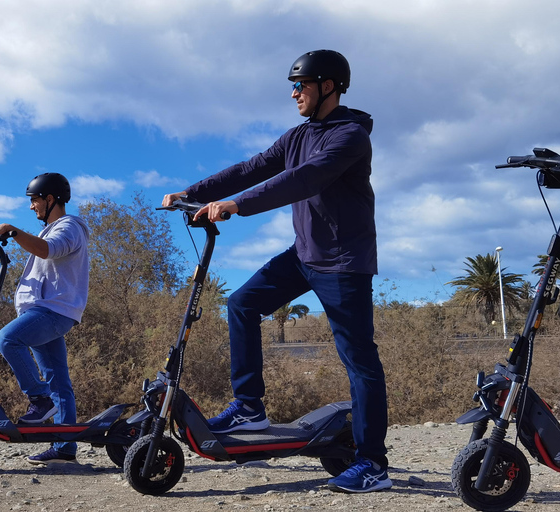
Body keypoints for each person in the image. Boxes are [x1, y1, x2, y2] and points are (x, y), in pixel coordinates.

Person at [162, 50, 391, 493]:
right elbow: (253, 168)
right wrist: (193, 192)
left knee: (360, 362)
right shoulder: (297, 135)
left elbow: (304, 180)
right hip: (304, 254)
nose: (294, 93)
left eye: (300, 85)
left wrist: (237, 205)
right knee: (242, 304)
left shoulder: (350, 137)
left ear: (328, 86)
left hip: (343, 262)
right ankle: (250, 408)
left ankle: (372, 463)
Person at [0, 172, 89, 465]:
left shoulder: (69, 227)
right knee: (59, 382)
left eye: (35, 200)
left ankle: (39, 400)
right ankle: (66, 448)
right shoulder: (48, 230)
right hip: (45, 311)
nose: (32, 207)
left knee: (8, 338)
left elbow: (48, 251)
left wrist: (12, 230)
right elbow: (41, 252)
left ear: (51, 199)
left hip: (53, 312)